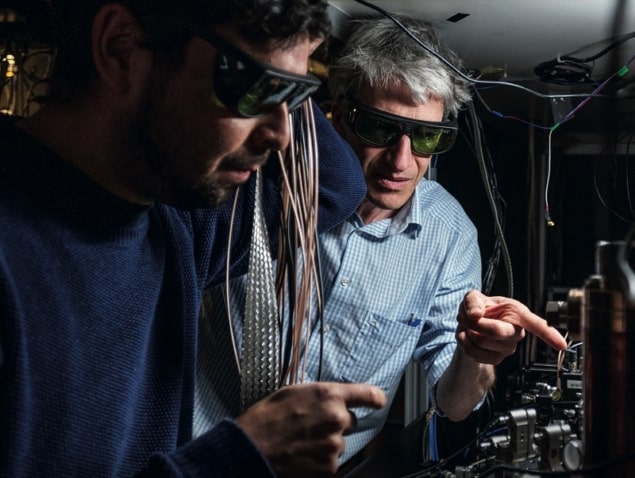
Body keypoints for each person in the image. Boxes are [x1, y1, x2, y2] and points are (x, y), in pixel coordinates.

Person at [0, 1, 389, 477]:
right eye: (253, 87)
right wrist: (235, 461)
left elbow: (334, 186)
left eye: (294, 96)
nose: (281, 135)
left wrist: (282, 67)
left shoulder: (179, 221)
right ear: (121, 49)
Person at [193, 15, 568, 466]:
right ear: (339, 115)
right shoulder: (254, 180)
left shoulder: (449, 237)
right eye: (378, 128)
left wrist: (472, 354)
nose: (401, 161)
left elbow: (456, 404)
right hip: (197, 456)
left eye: (427, 136)